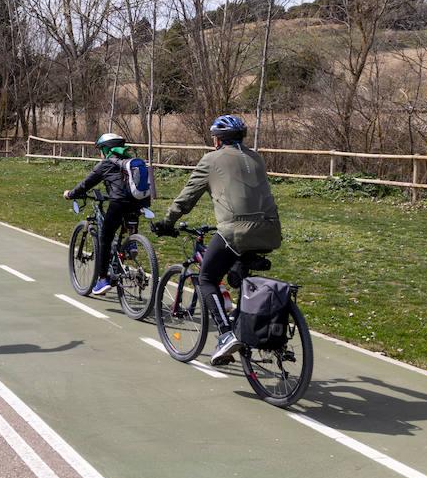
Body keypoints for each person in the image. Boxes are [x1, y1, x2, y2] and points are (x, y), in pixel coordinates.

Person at [153, 114, 282, 366]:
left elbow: (186, 197)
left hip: (236, 231)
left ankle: (225, 335)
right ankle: (246, 322)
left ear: (216, 140)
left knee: (206, 278)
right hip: (270, 231)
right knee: (237, 271)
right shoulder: (256, 157)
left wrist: (167, 222)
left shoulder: (211, 160)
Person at [62, 132, 153, 297]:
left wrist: (70, 194)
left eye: (101, 149)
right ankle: (130, 245)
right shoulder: (129, 163)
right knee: (125, 228)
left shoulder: (105, 164)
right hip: (139, 203)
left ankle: (103, 279)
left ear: (106, 149)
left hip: (118, 204)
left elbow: (85, 184)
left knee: (105, 238)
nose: (100, 153)